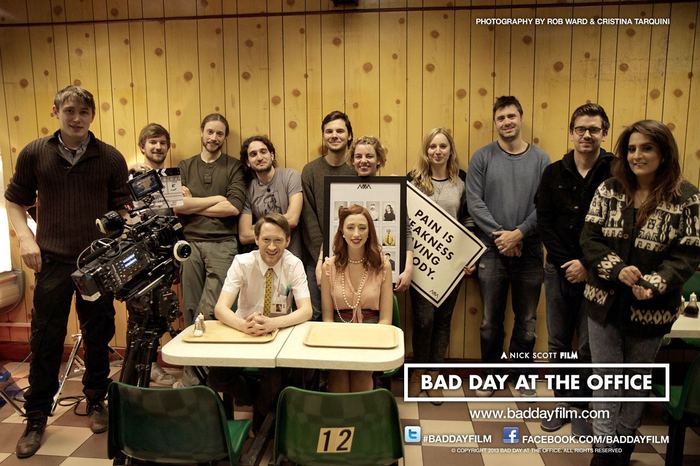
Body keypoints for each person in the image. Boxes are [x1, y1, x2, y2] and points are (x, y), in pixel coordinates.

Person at [5, 85, 130, 458]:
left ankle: (96, 399)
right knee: (45, 339)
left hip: (96, 263)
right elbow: (14, 201)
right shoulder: (35, 153)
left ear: (92, 115)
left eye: (84, 112)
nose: (77, 119)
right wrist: (25, 239)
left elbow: (123, 208)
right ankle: (36, 417)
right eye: (70, 111)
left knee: (99, 334)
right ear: (56, 111)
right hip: (52, 262)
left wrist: (122, 233)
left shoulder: (110, 158)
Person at [580, 120, 700, 466]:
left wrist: (656, 282)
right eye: (631, 149)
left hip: (653, 310)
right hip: (603, 304)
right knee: (606, 382)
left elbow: (688, 254)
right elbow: (589, 239)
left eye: (646, 148)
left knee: (634, 382)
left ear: (664, 152)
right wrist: (617, 269)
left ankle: (622, 450)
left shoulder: (687, 198)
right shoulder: (608, 189)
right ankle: (604, 454)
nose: (637, 155)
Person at [535, 103, 614, 434]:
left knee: (589, 345)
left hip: (598, 273)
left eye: (594, 129)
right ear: (571, 133)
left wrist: (586, 263)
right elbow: (544, 221)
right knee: (557, 343)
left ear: (604, 133)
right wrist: (566, 263)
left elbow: (616, 227)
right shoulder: (554, 172)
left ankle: (583, 407)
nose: (586, 135)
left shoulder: (616, 172)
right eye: (580, 129)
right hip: (558, 269)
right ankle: (563, 403)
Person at [466, 96, 550, 397]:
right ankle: (492, 376)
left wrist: (519, 234)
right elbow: (474, 203)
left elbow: (545, 205)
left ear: (521, 118)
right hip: (492, 249)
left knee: (527, 320)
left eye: (511, 116)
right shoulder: (482, 157)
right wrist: (502, 236)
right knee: (490, 321)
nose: (506, 122)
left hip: (530, 250)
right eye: (501, 118)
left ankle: (522, 375)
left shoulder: (541, 160)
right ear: (495, 122)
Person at [210, 213, 312, 432]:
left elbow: (306, 310)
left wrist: (273, 323)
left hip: (277, 334)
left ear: (288, 240)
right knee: (216, 377)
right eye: (266, 240)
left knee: (273, 380)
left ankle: (262, 425)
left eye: (278, 240)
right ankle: (258, 401)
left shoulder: (293, 264)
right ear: (256, 239)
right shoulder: (242, 263)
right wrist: (242, 325)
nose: (272, 247)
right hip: (243, 331)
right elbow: (220, 308)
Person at [407, 128, 472, 400]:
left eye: (443, 146)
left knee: (443, 320)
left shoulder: (462, 180)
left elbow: (468, 220)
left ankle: (434, 375)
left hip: (452, 264)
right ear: (426, 150)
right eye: (432, 146)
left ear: (450, 150)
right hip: (420, 264)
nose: (437, 151)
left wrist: (469, 256)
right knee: (424, 320)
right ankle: (418, 373)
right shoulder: (412, 180)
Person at [174, 113, 246, 325]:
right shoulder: (185, 166)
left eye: (219, 134)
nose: (214, 138)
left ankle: (212, 347)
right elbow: (177, 206)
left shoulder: (234, 167)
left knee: (214, 308)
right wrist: (216, 198)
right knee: (190, 305)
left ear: (225, 137)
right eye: (210, 132)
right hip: (190, 244)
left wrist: (192, 204)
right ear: (202, 132)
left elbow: (232, 208)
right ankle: (192, 347)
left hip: (223, 244)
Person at [321, 205, 393, 392]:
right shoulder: (329, 267)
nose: (356, 233)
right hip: (337, 332)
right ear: (342, 232)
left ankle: (362, 412)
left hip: (371, 332)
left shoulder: (383, 266)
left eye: (362, 228)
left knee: (361, 373)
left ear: (370, 232)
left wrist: (368, 342)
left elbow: (386, 320)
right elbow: (327, 319)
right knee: (338, 375)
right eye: (350, 227)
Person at [129, 123, 177, 386]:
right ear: (142, 147)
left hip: (165, 253)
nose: (158, 147)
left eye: (162, 143)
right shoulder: (131, 175)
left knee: (160, 311)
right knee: (140, 313)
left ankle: (152, 365)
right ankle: (138, 370)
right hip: (140, 255)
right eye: (153, 142)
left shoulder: (172, 178)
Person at [301, 111, 356, 320]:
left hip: (353, 256)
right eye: (329, 131)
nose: (334, 135)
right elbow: (309, 219)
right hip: (318, 258)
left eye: (340, 131)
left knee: (348, 315)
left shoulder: (358, 169)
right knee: (315, 315)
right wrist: (324, 259)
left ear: (349, 135)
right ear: (323, 135)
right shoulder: (310, 171)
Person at [345, 135, 413, 291]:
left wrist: (408, 267)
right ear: (353, 161)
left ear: (378, 160)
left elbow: (406, 231)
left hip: (382, 271)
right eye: (358, 156)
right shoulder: (341, 190)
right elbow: (333, 229)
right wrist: (321, 262)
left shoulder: (392, 189)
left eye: (369, 156)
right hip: (350, 272)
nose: (363, 160)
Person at [237, 135, 303, 258]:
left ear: (271, 155)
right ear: (248, 162)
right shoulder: (248, 190)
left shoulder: (290, 176)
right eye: (253, 154)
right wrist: (283, 222)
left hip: (292, 256)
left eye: (263, 152)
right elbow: (244, 235)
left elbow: (293, 219)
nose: (259, 157)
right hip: (264, 257)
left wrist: (257, 227)